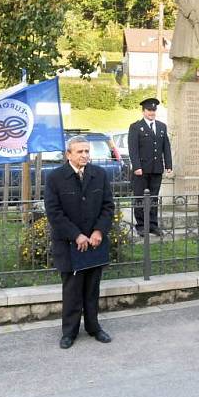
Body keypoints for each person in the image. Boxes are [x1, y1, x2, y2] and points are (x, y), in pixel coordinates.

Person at [44, 135, 115, 349]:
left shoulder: (99, 174)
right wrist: (76, 235)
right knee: (72, 290)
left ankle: (94, 327)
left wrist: (98, 232)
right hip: (69, 244)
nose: (84, 155)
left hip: (94, 243)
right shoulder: (56, 178)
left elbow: (107, 206)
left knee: (92, 289)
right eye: (80, 152)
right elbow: (54, 212)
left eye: (87, 151)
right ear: (69, 154)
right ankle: (69, 332)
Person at [127, 98, 172, 236]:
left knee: (153, 198)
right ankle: (141, 225)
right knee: (140, 197)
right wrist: (136, 166)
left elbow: (166, 147)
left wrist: (168, 165)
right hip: (141, 169)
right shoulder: (136, 127)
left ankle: (153, 225)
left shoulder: (161, 126)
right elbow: (133, 149)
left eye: (154, 110)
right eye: (149, 110)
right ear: (143, 111)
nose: (152, 113)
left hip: (156, 168)